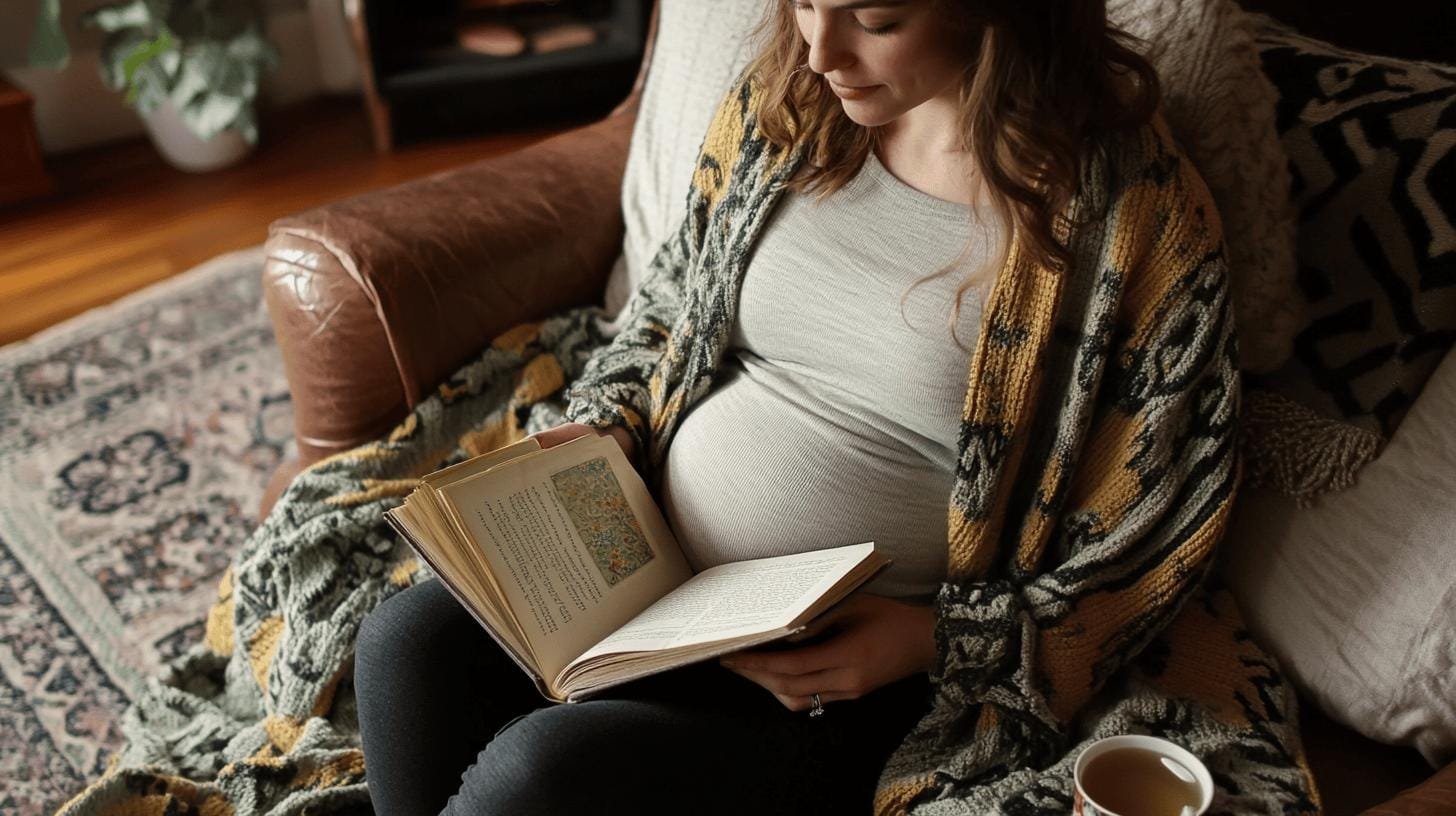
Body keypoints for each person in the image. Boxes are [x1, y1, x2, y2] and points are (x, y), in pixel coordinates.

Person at [354, 1, 1314, 814]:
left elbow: (1149, 530)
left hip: (851, 679)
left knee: (539, 774)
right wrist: (605, 425)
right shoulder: (791, 109)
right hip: (645, 581)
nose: (822, 49)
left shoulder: (1132, 221)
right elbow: (667, 310)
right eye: (805, 3)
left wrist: (937, 642)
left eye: (876, 19)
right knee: (403, 645)